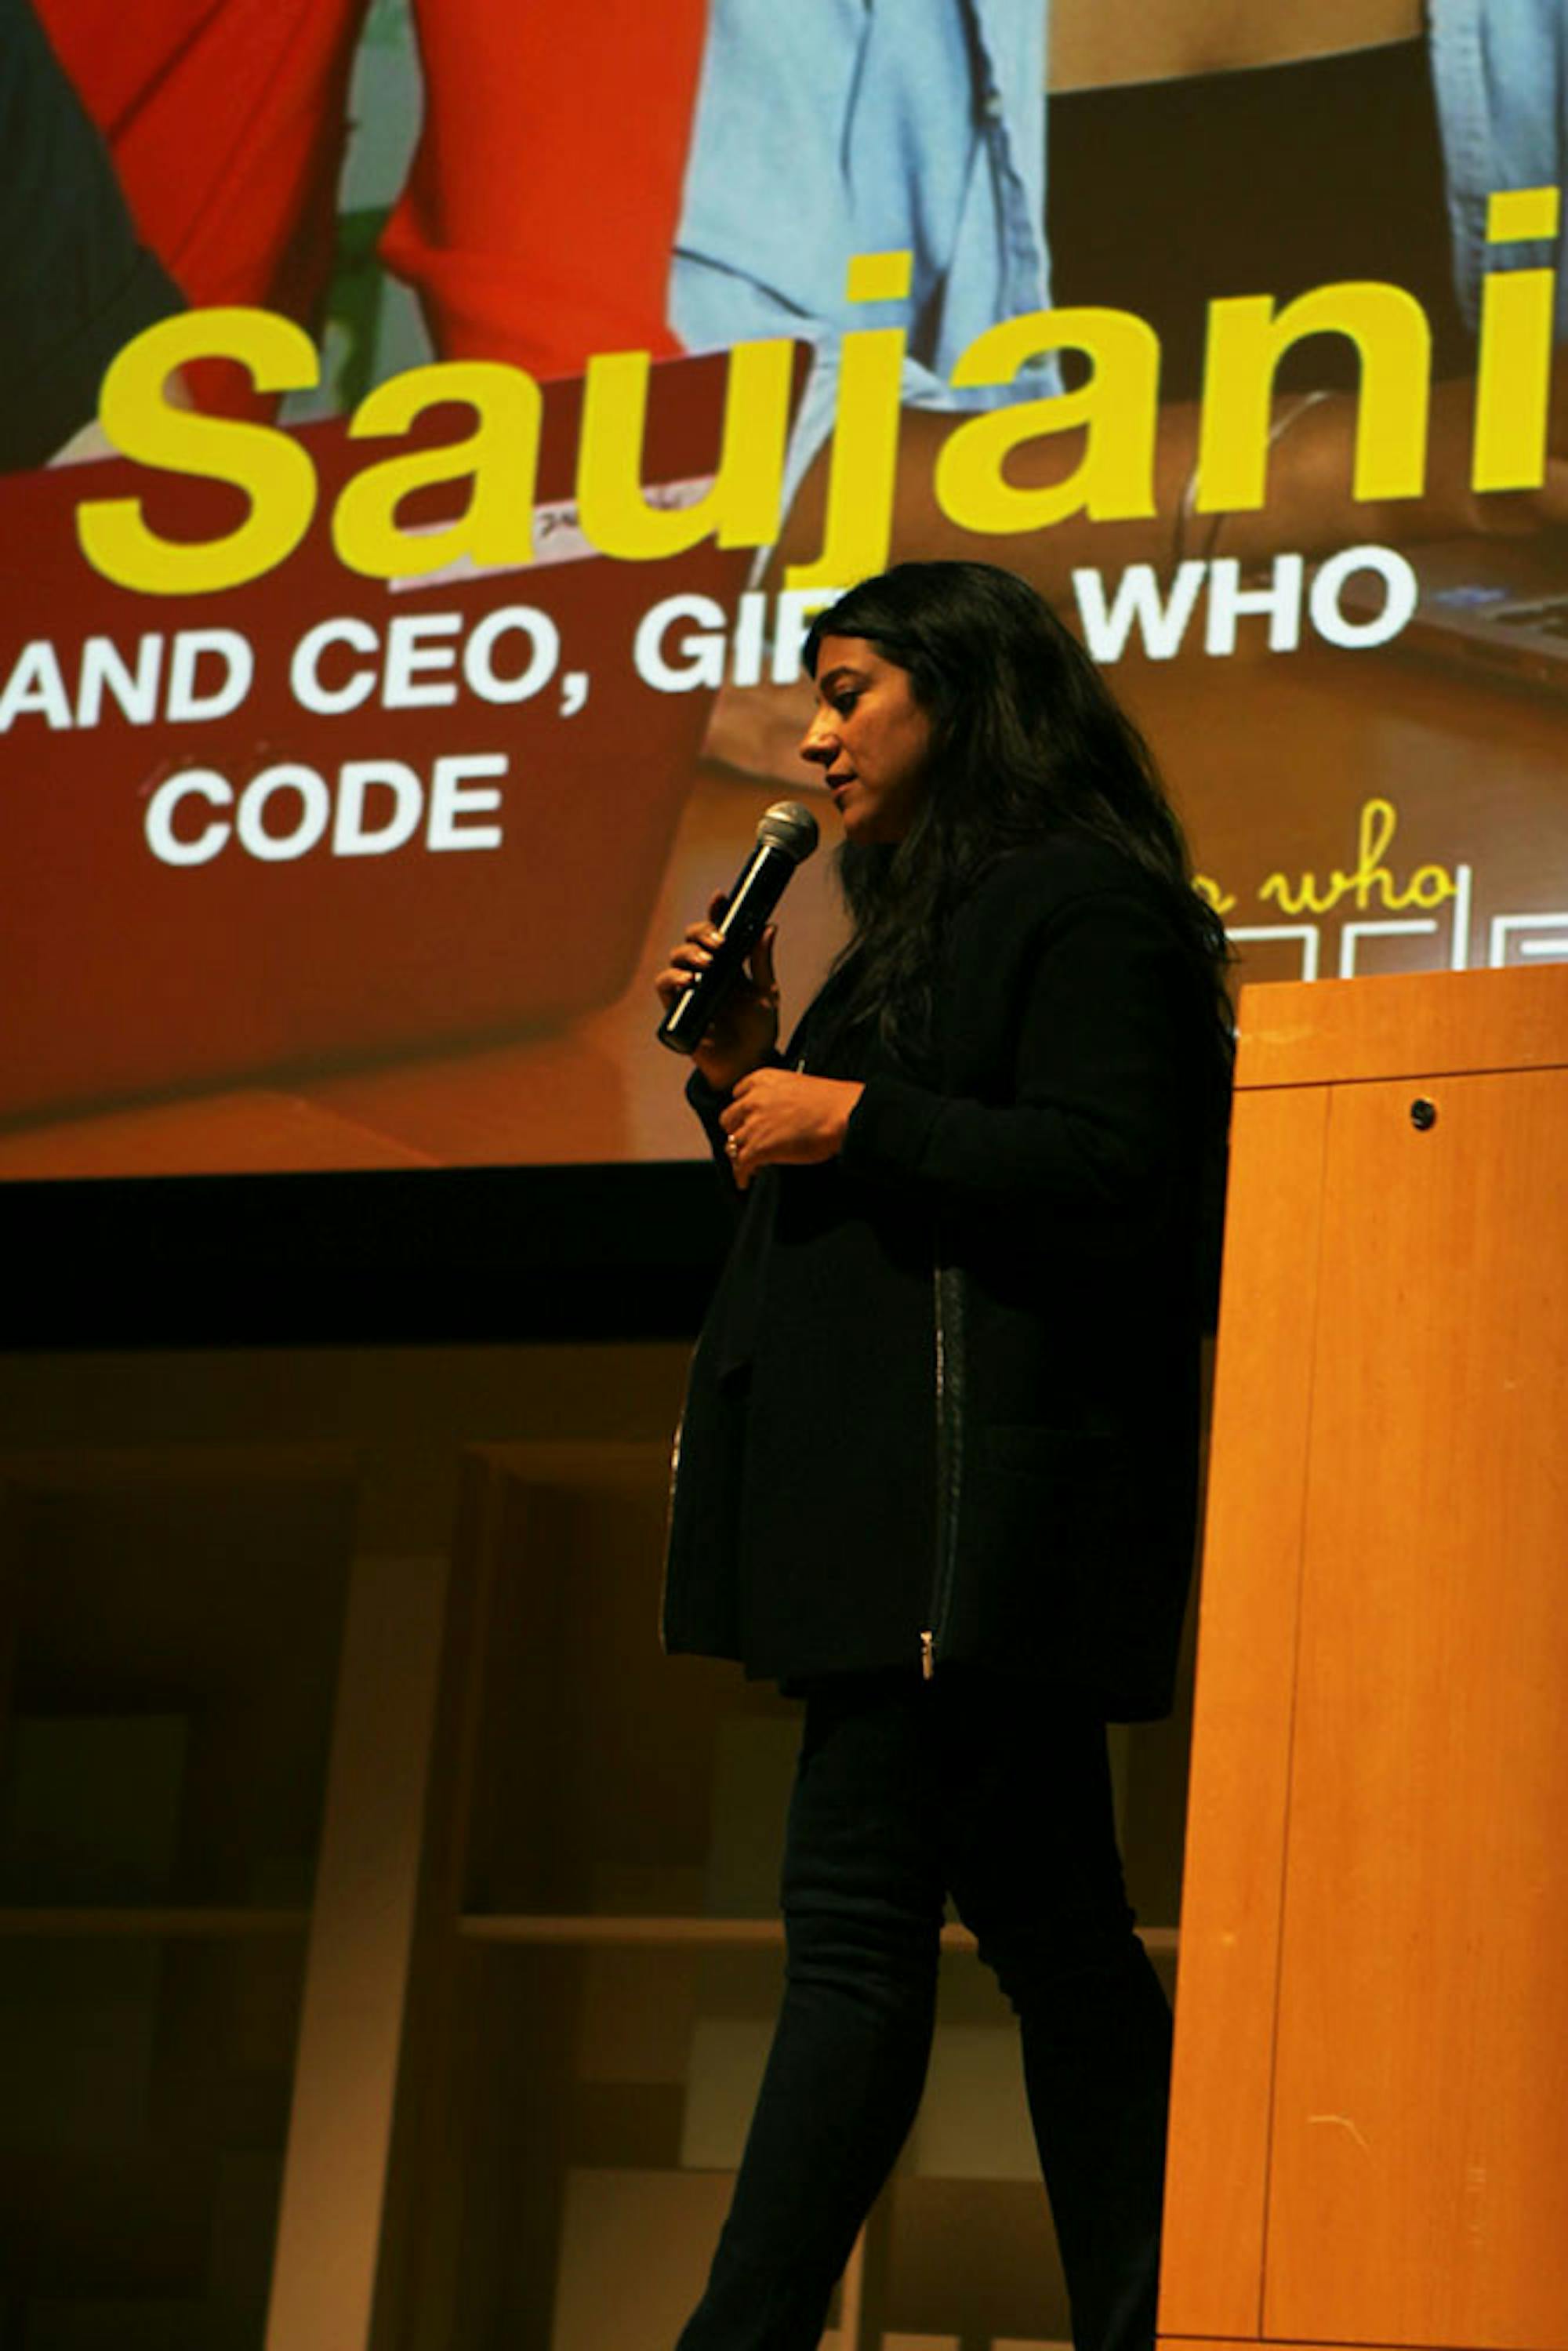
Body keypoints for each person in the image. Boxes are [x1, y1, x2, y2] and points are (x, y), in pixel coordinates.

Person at [655, 560, 1233, 2351]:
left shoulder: (1085, 909)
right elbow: (885, 1198)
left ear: (964, 699)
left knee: (853, 1945)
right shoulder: (921, 924)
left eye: (848, 693)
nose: (813, 736)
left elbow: (1128, 1180)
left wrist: (855, 1114)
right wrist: (759, 1077)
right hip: (906, 1527)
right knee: (1063, 1955)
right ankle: (1152, 2321)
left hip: (967, 1528)